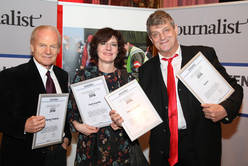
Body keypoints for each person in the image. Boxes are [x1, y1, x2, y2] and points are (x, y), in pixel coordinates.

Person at [110, 10, 243, 166]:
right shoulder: (146, 69)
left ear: (176, 29)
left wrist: (225, 109)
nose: (162, 37)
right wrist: (123, 121)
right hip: (162, 151)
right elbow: (143, 108)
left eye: (166, 30)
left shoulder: (202, 54)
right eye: (156, 34)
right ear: (151, 39)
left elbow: (235, 89)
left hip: (201, 148)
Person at [68, 27, 148, 166]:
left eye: (113, 44)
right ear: (95, 47)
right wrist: (78, 126)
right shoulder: (81, 77)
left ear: (119, 50)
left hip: (120, 150)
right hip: (89, 148)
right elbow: (70, 111)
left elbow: (139, 117)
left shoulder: (127, 79)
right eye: (103, 43)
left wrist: (124, 124)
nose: (108, 48)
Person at [0, 25, 72, 166]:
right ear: (32, 47)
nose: (48, 51)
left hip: (57, 156)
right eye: (42, 45)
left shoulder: (62, 76)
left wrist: (66, 137)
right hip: (23, 157)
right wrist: (23, 126)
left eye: (53, 46)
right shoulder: (11, 76)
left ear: (58, 49)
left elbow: (63, 112)